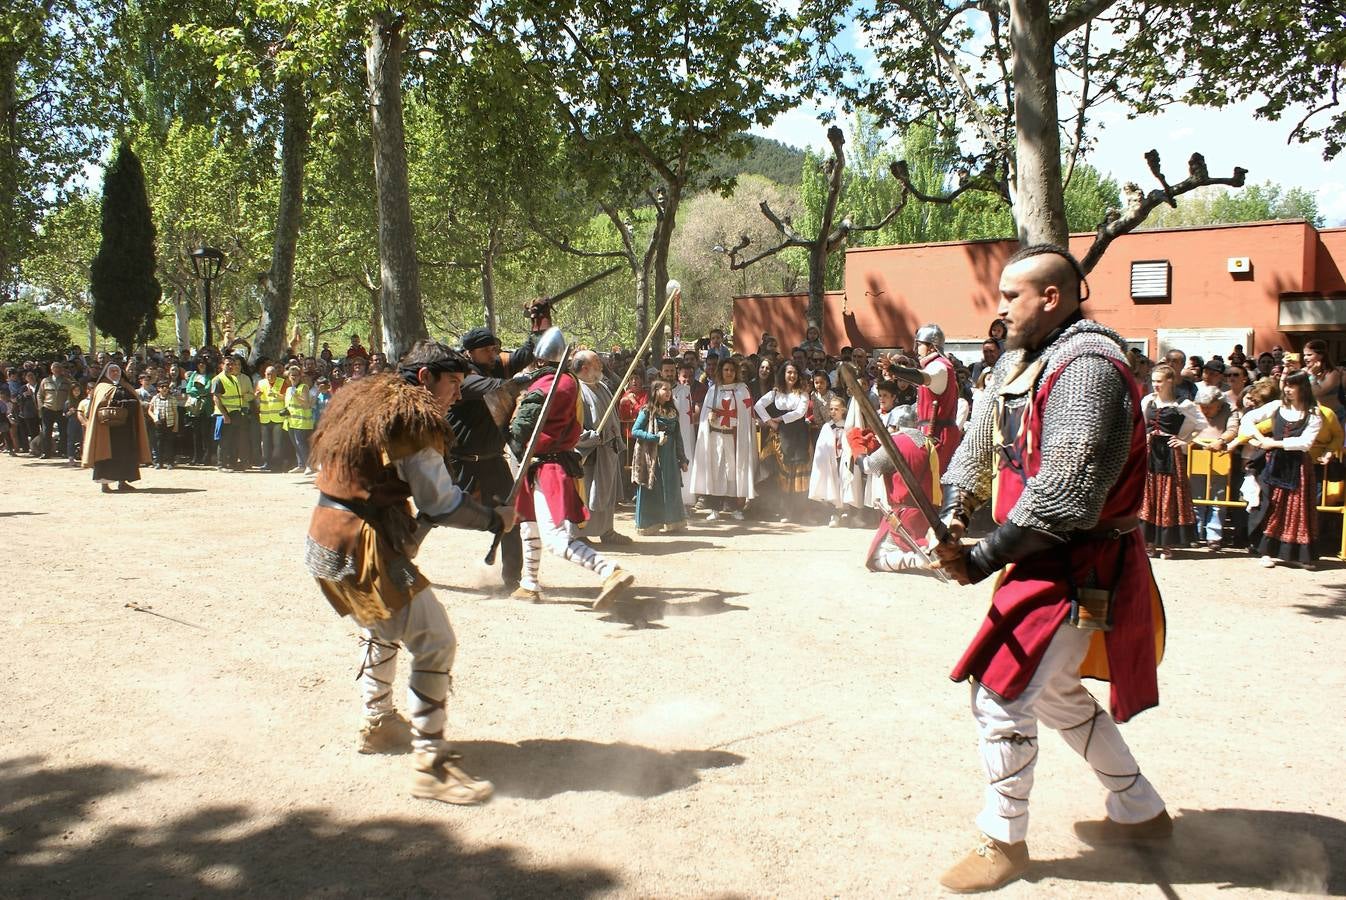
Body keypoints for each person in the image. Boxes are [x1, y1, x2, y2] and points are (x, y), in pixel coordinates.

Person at [932, 244, 1169, 894]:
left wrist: (981, 557)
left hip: (1076, 562)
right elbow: (984, 441)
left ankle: (1003, 838)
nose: (1001, 307)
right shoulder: (1022, 361)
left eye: (1013, 296)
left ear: (1053, 298)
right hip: (1044, 557)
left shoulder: (1089, 367)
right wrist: (958, 514)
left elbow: (1066, 492)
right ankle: (1139, 808)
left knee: (1001, 691)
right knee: (1058, 690)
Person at [305, 339, 516, 804]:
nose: (457, 395)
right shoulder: (412, 417)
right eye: (454, 383)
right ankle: (431, 764)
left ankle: (378, 720)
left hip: (327, 532)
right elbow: (439, 501)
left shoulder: (364, 395)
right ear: (425, 378)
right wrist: (492, 518)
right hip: (362, 545)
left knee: (384, 623)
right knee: (434, 637)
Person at [508, 328, 635, 609]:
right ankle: (529, 583)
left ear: (539, 360)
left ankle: (609, 570)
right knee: (529, 526)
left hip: (548, 465)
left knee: (554, 537)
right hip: (541, 463)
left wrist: (511, 442)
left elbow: (522, 426)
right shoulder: (567, 381)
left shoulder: (551, 385)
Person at [447, 325, 539, 594]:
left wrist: (538, 323)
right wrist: (531, 379)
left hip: (492, 461)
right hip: (460, 463)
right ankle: (404, 550)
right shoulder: (461, 375)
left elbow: (527, 354)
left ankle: (513, 579)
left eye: (494, 349)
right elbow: (498, 388)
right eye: (486, 350)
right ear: (470, 352)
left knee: (510, 517)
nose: (492, 354)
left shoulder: (495, 365)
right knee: (439, 513)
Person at [1241, 370, 1322, 569]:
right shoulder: (1277, 406)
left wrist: (1274, 443)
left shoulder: (1313, 413)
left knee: (1297, 508)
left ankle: (1298, 554)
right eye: (1286, 385)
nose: (1287, 389)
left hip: (1298, 465)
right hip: (1274, 463)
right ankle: (1267, 551)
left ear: (1303, 388)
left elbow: (1305, 443)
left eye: (1292, 385)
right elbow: (1248, 419)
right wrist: (1261, 440)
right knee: (1272, 506)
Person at [1139, 364, 1206, 559]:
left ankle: (1166, 543)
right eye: (1153, 381)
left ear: (1170, 381)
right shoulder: (1148, 401)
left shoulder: (1183, 404)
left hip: (1169, 452)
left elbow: (1200, 424)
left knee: (1169, 494)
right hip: (1150, 450)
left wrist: (1184, 440)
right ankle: (1149, 542)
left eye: (1159, 381)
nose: (1155, 385)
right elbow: (1141, 424)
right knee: (1149, 494)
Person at [882, 324, 961, 472]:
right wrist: (897, 373)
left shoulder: (940, 366)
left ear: (931, 347)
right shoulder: (935, 366)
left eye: (919, 345)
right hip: (932, 432)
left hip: (938, 434)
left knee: (935, 484)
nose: (916, 349)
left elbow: (922, 377)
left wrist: (895, 369)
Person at [574, 349, 631, 545]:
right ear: (584, 367)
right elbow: (571, 427)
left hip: (608, 451)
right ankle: (580, 534)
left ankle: (607, 531)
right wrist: (591, 437)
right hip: (589, 454)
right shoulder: (575, 391)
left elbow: (612, 419)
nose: (602, 363)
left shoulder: (602, 387)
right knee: (587, 493)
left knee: (607, 494)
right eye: (597, 361)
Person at [690, 358, 756, 521]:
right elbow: (706, 415)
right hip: (716, 436)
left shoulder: (742, 390)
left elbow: (746, 415)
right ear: (721, 371)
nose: (729, 373)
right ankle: (714, 507)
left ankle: (735, 507)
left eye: (732, 370)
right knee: (716, 470)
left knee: (733, 472)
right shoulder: (714, 390)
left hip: (734, 438)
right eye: (726, 370)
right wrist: (710, 419)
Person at [754, 361, 811, 522]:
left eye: (794, 373)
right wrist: (770, 422)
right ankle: (781, 510)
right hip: (780, 436)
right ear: (783, 374)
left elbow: (800, 413)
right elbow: (758, 405)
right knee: (778, 473)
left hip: (798, 436)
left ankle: (798, 512)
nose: (792, 376)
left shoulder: (803, 394)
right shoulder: (775, 392)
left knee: (796, 474)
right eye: (789, 372)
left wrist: (779, 418)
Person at [83, 363, 152, 492]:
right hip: (107, 430)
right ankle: (105, 483)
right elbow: (99, 405)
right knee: (105, 455)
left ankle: (123, 481)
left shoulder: (127, 386)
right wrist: (119, 404)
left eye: (117, 371)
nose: (115, 373)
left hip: (125, 429)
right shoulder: (101, 387)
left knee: (125, 454)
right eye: (112, 371)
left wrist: (130, 404)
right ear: (106, 373)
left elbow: (135, 403)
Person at [631, 379, 689, 534]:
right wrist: (655, 437)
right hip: (652, 456)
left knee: (671, 487)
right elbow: (635, 431)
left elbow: (678, 437)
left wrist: (682, 458)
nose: (668, 392)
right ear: (655, 392)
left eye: (670, 389)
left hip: (669, 457)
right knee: (653, 488)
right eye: (665, 389)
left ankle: (673, 522)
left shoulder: (673, 412)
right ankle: (649, 524)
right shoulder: (647, 410)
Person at [1189, 384, 1240, 549]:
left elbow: (1233, 429)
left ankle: (1214, 536)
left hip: (1220, 455)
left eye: (1208, 408)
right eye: (1202, 407)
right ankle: (1195, 533)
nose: (1205, 411)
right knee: (1196, 496)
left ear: (1218, 404)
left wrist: (1222, 440)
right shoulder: (1194, 408)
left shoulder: (1230, 409)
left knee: (1218, 497)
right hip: (1197, 453)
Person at [672, 361, 703, 509]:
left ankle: (687, 498)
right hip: (672, 434)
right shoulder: (670, 391)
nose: (687, 379)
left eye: (691, 376)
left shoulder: (687, 392)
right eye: (684, 376)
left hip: (687, 432)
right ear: (678, 376)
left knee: (687, 460)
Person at [212, 355, 252, 471]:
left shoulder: (234, 378)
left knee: (234, 440)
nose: (230, 366)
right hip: (225, 414)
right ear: (222, 365)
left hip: (236, 413)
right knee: (224, 441)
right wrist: (225, 415)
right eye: (227, 364)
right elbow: (216, 398)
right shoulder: (218, 379)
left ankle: (232, 463)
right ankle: (222, 464)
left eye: (232, 364)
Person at [36, 362, 72, 459]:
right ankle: (46, 452)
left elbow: (70, 395)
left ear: (61, 370)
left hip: (61, 409)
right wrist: (41, 407)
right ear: (51, 370)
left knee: (63, 432)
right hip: (48, 408)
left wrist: (68, 407)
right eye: (55, 368)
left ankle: (62, 452)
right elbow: (39, 395)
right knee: (46, 432)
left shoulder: (66, 381)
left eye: (59, 368)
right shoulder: (46, 381)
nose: (57, 370)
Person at [255, 365, 288, 472]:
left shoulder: (282, 382)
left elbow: (286, 397)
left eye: (272, 374)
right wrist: (257, 395)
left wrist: (276, 395)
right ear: (265, 374)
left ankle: (276, 463)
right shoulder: (261, 383)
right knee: (265, 442)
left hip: (278, 418)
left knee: (277, 442)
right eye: (268, 374)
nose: (270, 376)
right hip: (264, 417)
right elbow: (255, 397)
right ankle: (266, 462)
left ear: (276, 374)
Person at [284, 364, 315, 474]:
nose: (294, 377)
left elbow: (306, 404)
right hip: (290, 421)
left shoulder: (303, 387)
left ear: (300, 376)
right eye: (292, 375)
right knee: (296, 444)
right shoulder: (288, 389)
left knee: (301, 443)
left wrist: (296, 396)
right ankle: (301, 465)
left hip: (302, 421)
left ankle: (309, 466)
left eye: (296, 375)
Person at [184, 355, 215, 465]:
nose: (201, 365)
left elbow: (207, 390)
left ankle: (207, 458)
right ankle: (196, 457)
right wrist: (199, 391)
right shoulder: (193, 375)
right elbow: (188, 389)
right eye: (199, 363)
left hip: (206, 408)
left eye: (203, 363)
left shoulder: (210, 376)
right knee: (196, 434)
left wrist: (196, 390)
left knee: (206, 434)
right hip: (194, 408)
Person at [146, 379, 180, 469]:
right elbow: (150, 410)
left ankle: (170, 462)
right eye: (162, 387)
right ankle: (159, 463)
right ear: (158, 388)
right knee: (158, 444)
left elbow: (176, 413)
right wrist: (154, 418)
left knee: (169, 443)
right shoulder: (155, 398)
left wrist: (176, 425)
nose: (164, 388)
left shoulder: (172, 399)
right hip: (159, 423)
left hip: (169, 423)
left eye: (166, 387)